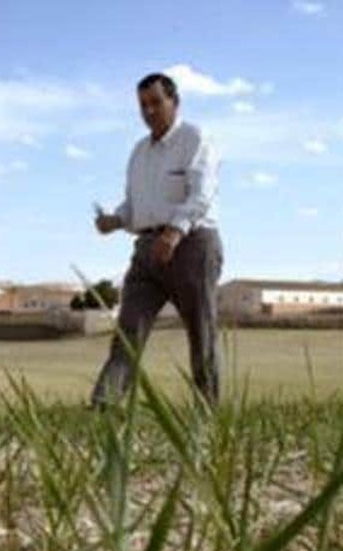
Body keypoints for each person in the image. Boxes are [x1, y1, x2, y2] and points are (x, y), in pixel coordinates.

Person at [91, 72, 223, 408]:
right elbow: (136, 206)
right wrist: (116, 220)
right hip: (147, 250)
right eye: (143, 105)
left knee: (201, 331)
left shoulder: (195, 139)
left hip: (192, 245)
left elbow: (201, 195)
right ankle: (104, 405)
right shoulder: (139, 152)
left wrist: (175, 232)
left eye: (156, 102)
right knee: (128, 330)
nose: (149, 111)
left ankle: (207, 409)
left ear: (174, 102)